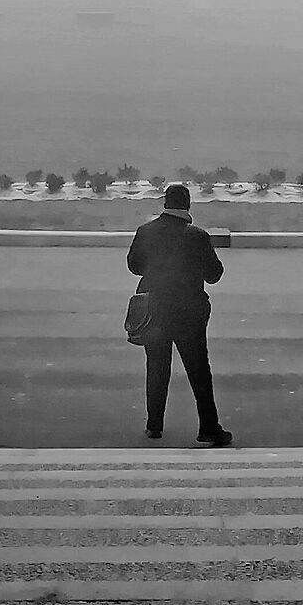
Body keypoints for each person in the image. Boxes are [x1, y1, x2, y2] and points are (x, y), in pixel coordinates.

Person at [125, 182, 231, 446]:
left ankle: (154, 425)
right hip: (189, 312)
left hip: (154, 309)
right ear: (188, 205)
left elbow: (134, 266)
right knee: (198, 371)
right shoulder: (197, 236)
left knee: (157, 367)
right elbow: (214, 275)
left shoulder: (145, 231)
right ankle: (208, 427)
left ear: (165, 204)